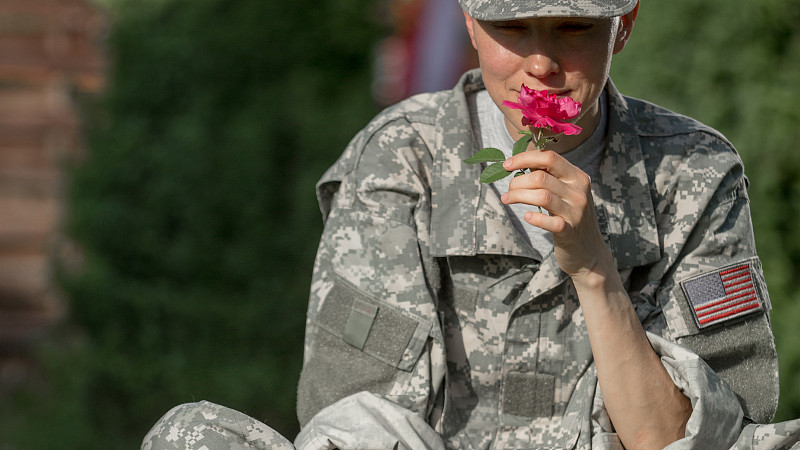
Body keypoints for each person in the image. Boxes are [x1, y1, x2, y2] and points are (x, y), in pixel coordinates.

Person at [143, 0, 800, 448]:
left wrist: (594, 265)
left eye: (572, 27)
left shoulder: (694, 171)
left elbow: (687, 439)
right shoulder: (402, 160)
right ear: (470, 21)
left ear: (622, 25)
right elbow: (360, 427)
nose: (541, 63)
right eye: (512, 28)